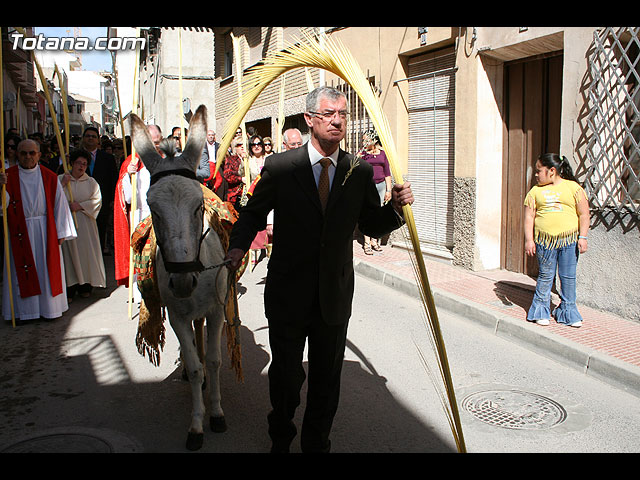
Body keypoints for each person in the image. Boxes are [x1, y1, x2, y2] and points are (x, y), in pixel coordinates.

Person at [225, 86, 414, 453]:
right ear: (310, 119)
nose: (338, 120)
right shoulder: (281, 167)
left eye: (343, 114)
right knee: (285, 378)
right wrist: (236, 247)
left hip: (334, 296)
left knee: (327, 383)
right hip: (287, 294)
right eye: (329, 114)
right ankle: (280, 438)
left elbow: (372, 225)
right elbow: (252, 213)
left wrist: (394, 209)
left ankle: (316, 445)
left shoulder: (357, 171)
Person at [0, 139, 76, 323]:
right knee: (21, 272)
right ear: (17, 154)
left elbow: (60, 205)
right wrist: (0, 187)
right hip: (19, 231)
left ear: (39, 155)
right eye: (23, 153)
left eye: (32, 153)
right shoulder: (8, 176)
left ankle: (49, 309)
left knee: (46, 271)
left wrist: (61, 232)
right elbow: (2, 208)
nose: (28, 157)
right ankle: (24, 312)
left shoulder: (49, 176)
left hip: (45, 231)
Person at [524, 153, 590, 328]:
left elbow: (584, 214)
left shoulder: (573, 188)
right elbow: (529, 218)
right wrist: (529, 240)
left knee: (568, 277)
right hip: (545, 243)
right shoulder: (535, 192)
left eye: (539, 171)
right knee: (546, 276)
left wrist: (583, 237)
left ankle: (569, 312)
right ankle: (540, 310)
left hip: (569, 241)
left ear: (551, 171)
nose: (536, 175)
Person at [113, 125, 160, 291]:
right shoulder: (131, 163)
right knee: (140, 255)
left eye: (158, 142)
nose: (155, 147)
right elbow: (127, 198)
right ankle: (141, 292)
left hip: (159, 217)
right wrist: (129, 177)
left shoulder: (164, 161)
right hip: (139, 215)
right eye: (152, 142)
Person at [59, 149, 106, 302]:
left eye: (84, 164)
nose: (81, 167)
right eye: (78, 163)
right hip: (67, 223)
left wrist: (80, 206)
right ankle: (70, 288)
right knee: (68, 255)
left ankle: (85, 285)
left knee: (86, 255)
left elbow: (97, 201)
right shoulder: (62, 179)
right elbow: (52, 198)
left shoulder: (91, 182)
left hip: (85, 223)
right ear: (72, 163)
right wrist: (62, 185)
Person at [82, 126, 117, 254]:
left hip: (102, 201)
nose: (90, 138)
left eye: (93, 136)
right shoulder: (75, 157)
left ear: (98, 141)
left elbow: (113, 179)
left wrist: (113, 199)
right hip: (81, 200)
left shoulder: (107, 158)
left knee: (100, 230)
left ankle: (98, 256)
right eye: (88, 136)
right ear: (83, 138)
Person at [359, 130, 392, 254]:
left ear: (373, 140)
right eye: (363, 140)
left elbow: (387, 173)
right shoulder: (362, 154)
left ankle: (375, 241)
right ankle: (367, 243)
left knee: (379, 213)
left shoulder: (382, 153)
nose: (364, 142)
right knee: (368, 213)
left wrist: (388, 190)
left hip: (381, 185)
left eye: (366, 140)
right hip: (367, 186)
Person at [223, 137, 246, 210]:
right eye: (239, 145)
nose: (242, 146)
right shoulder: (231, 160)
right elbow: (227, 176)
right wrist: (241, 179)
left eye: (244, 144)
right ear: (235, 147)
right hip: (235, 195)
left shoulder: (251, 159)